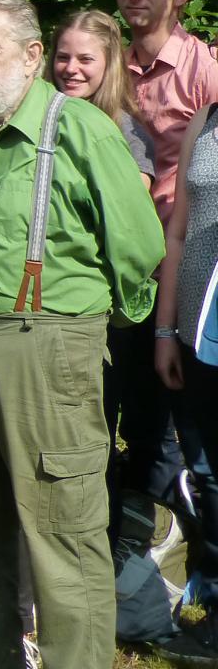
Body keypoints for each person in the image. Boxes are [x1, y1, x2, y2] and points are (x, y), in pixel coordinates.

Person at [0, 0, 163, 669]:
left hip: (46, 340)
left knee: (63, 534)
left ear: (34, 56)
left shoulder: (82, 128)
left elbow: (140, 245)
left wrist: (86, 322)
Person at [116, 0, 218, 529]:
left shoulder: (203, 72)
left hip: (182, 263)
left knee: (186, 425)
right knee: (138, 418)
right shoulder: (110, 63)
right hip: (126, 264)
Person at [153, 81, 218, 659]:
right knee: (210, 470)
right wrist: (165, 329)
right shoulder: (206, 119)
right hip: (199, 331)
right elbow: (177, 232)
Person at [49, 9, 154, 187]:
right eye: (63, 57)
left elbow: (129, 203)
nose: (70, 68)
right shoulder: (33, 118)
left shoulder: (129, 134)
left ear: (109, 64)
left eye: (85, 59)